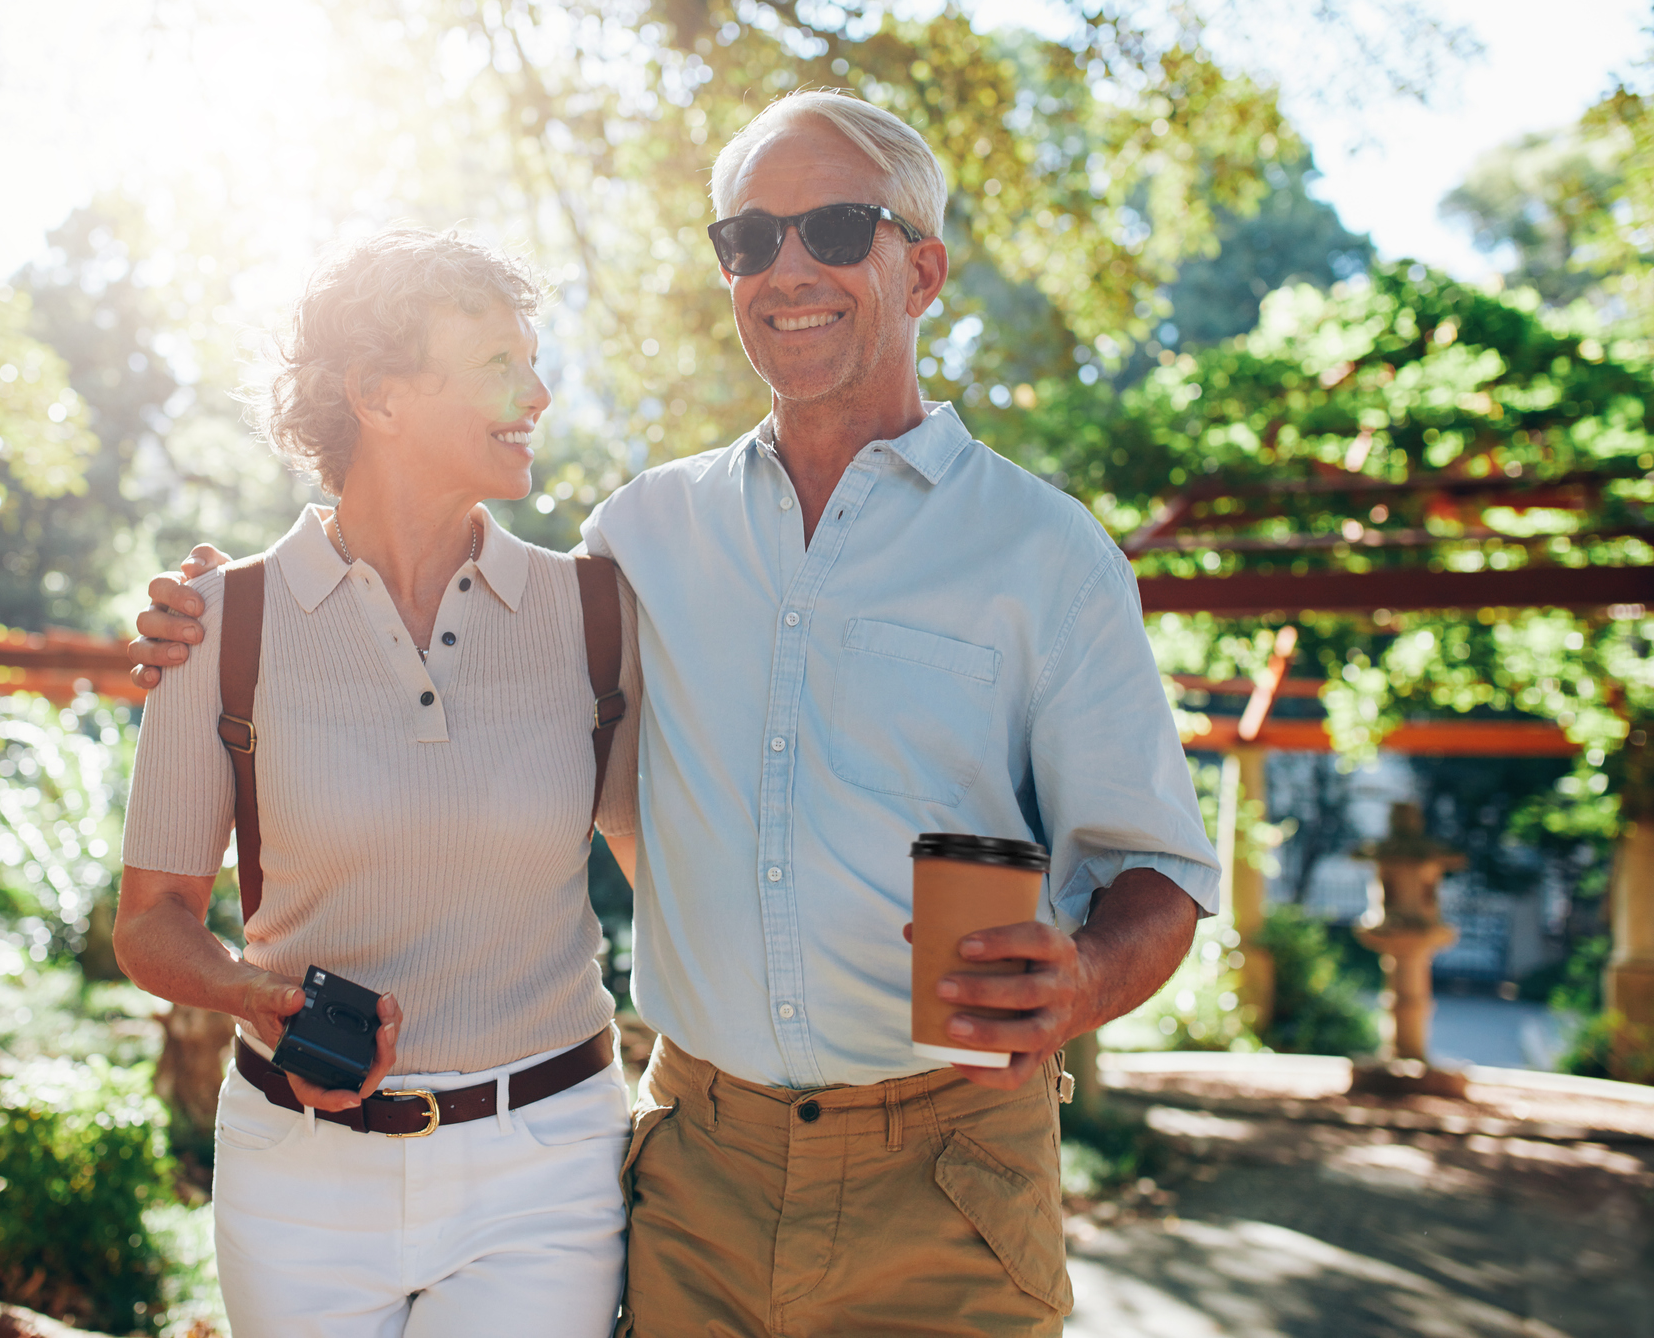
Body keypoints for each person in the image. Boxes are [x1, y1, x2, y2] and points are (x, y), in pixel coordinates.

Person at [131, 92, 1220, 1337]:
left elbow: (1156, 871)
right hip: (698, 1166)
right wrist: (217, 615)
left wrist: (1079, 977)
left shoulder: (1047, 551)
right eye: (750, 240)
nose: (785, 268)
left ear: (921, 270)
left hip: (951, 1178)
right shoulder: (639, 541)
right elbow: (432, 622)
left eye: (833, 228)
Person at [110, 229, 644, 1338]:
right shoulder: (219, 626)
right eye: (501, 362)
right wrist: (263, 997)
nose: (538, 393)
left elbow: (677, 874)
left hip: (546, 1165)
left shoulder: (595, 617)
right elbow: (152, 925)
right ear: (383, 395)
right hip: (296, 1177)